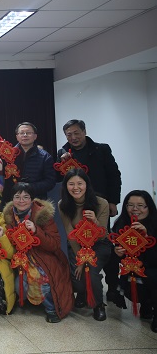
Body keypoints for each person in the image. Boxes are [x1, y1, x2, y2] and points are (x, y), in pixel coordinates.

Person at [58, 119, 123, 306]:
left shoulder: (101, 149)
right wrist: (61, 158)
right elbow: (61, 179)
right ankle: (83, 292)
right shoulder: (64, 154)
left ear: (84, 131)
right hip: (74, 205)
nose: (73, 137)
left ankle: (112, 287)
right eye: (69, 135)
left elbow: (114, 175)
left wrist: (113, 201)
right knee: (77, 241)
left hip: (98, 204)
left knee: (102, 242)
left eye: (76, 133)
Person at [3, 182, 74, 323]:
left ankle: (51, 308)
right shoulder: (9, 216)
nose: (21, 201)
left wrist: (37, 231)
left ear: (32, 199)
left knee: (41, 280)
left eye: (26, 197)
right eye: (17, 197)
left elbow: (55, 244)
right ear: (12, 199)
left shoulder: (42, 215)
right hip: (20, 258)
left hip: (43, 258)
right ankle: (30, 301)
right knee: (18, 286)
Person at [58, 168, 110, 321]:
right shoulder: (63, 205)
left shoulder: (102, 203)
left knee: (91, 271)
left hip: (99, 245)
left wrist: (95, 221)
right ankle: (82, 292)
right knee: (78, 278)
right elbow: (70, 233)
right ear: (66, 186)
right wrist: (81, 259)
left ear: (87, 184)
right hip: (77, 245)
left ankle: (98, 305)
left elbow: (103, 234)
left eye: (80, 183)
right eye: (71, 184)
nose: (76, 188)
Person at [111, 190, 157, 332]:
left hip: (152, 270)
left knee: (152, 276)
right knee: (131, 280)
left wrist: (147, 238)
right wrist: (116, 253)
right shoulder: (121, 224)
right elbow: (113, 258)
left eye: (140, 205)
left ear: (149, 207)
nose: (135, 209)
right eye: (130, 205)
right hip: (132, 272)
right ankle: (146, 304)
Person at [3, 122, 55, 201]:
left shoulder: (45, 157)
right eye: (22, 133)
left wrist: (30, 187)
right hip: (12, 199)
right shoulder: (8, 155)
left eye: (28, 133)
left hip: (36, 200)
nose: (25, 135)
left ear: (35, 136)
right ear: (17, 137)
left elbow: (50, 181)